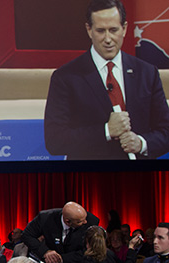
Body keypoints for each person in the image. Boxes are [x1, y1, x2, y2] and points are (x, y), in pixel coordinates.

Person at [44, 0, 169, 160]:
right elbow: (55, 141)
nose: (108, 39)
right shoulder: (66, 77)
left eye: (113, 30)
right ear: (89, 30)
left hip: (138, 177)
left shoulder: (147, 73)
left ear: (124, 29)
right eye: (101, 31)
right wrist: (106, 131)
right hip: (89, 178)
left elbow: (166, 131)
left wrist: (141, 143)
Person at [22, 201, 99, 263]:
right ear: (67, 221)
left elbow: (91, 250)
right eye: (79, 222)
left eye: (85, 218)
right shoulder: (45, 218)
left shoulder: (91, 222)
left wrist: (62, 259)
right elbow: (27, 235)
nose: (85, 222)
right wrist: (45, 252)